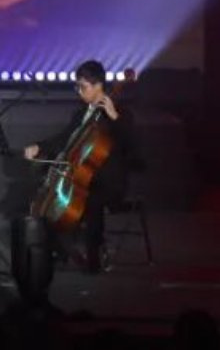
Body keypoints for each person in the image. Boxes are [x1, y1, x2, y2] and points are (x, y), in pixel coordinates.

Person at [22, 59, 137, 272]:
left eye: (83, 87)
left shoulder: (120, 113)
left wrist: (114, 116)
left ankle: (94, 256)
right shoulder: (81, 114)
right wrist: (39, 147)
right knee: (48, 197)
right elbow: (65, 138)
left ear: (98, 86)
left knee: (91, 199)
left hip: (108, 180)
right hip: (83, 176)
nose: (79, 92)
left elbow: (131, 144)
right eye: (78, 87)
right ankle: (58, 250)